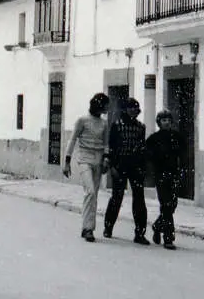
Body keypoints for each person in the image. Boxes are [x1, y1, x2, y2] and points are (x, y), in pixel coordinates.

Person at [63, 93, 110, 242]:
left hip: (98, 160)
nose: (107, 108)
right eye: (105, 105)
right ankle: (87, 227)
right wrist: (67, 161)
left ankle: (89, 228)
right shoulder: (82, 120)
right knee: (89, 191)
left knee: (94, 195)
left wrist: (106, 160)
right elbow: (72, 140)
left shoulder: (104, 123)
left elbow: (106, 143)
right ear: (99, 105)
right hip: (84, 159)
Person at [103, 98, 148, 244]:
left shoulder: (141, 127)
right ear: (125, 109)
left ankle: (140, 233)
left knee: (139, 199)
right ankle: (108, 227)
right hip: (120, 165)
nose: (134, 110)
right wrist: (112, 166)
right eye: (131, 108)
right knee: (117, 197)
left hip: (135, 167)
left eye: (136, 108)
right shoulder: (117, 125)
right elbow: (111, 146)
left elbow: (142, 148)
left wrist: (142, 168)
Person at [145, 110, 184, 250]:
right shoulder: (153, 138)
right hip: (160, 175)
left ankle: (157, 225)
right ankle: (168, 238)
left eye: (168, 119)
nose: (166, 122)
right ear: (159, 122)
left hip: (173, 174)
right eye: (163, 120)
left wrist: (181, 170)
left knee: (172, 203)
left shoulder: (177, 137)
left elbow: (183, 154)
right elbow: (147, 155)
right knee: (166, 205)